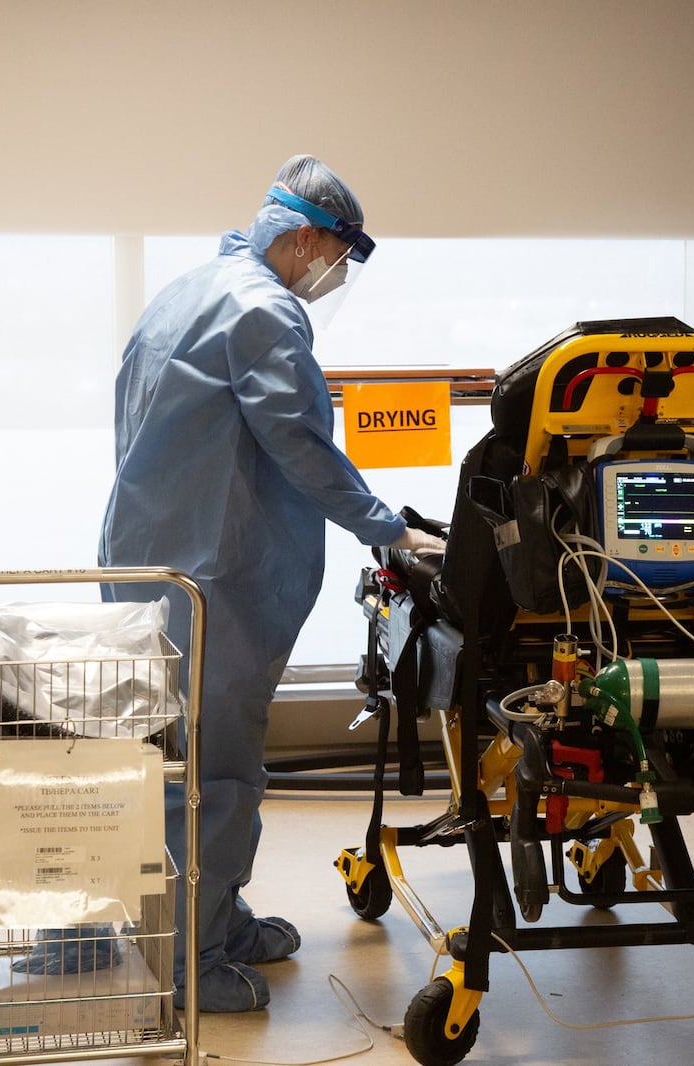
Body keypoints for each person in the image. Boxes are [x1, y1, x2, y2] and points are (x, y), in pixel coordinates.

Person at [98, 155, 443, 1013]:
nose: (332, 276)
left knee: (186, 760)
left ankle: (216, 915)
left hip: (154, 560)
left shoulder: (192, 289)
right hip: (215, 574)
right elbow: (298, 442)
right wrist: (388, 527)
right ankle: (194, 957)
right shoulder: (262, 309)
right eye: (335, 254)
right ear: (303, 237)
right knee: (218, 772)